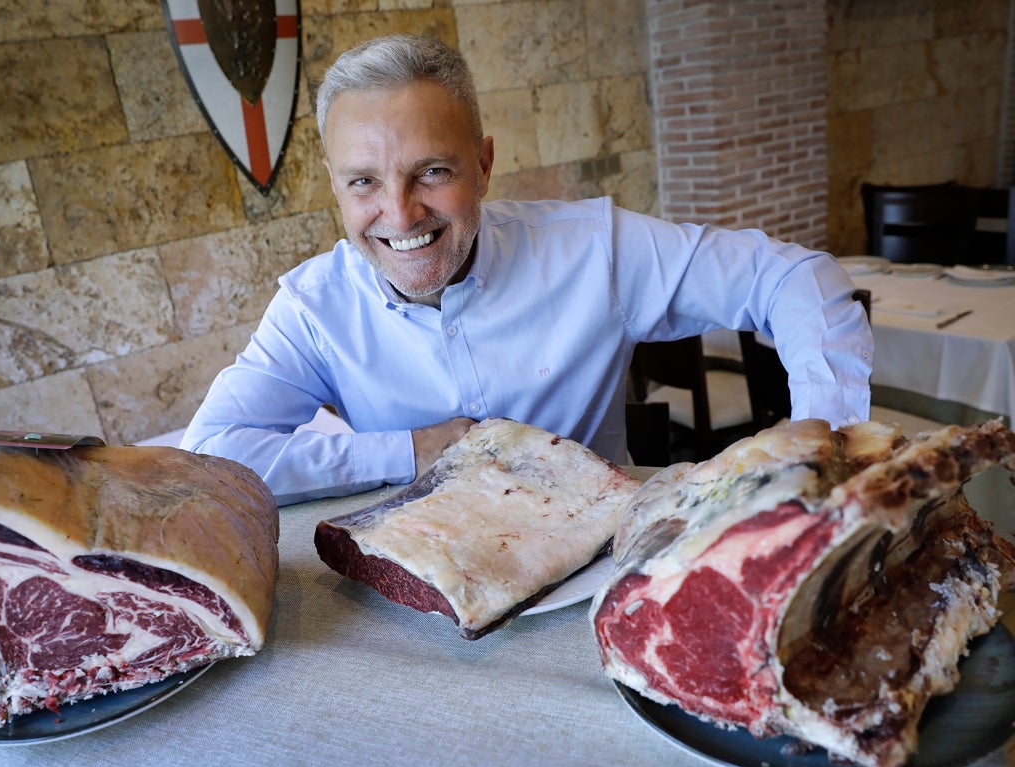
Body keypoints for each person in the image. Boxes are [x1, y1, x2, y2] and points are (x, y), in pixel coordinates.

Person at [182, 34, 873, 506]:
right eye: (364, 182)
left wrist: (830, 449)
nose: (400, 213)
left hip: (597, 577)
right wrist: (408, 451)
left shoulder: (590, 252)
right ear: (335, 190)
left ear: (482, 166)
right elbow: (213, 454)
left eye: (432, 171)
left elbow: (796, 277)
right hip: (418, 598)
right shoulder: (313, 308)